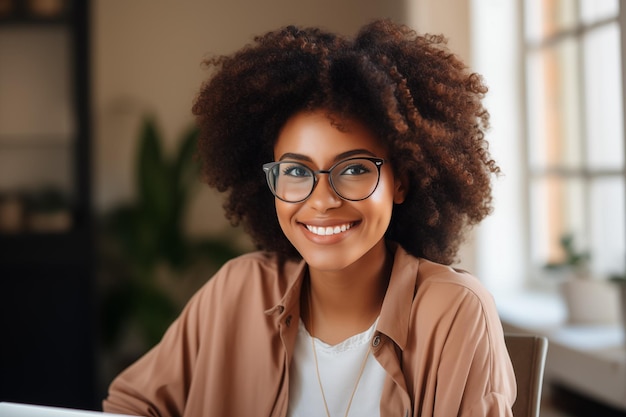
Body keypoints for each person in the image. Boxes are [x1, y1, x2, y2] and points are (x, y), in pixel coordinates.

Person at [103, 19, 516, 417]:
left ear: (401, 182)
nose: (321, 201)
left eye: (354, 169)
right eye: (297, 172)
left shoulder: (453, 311)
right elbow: (132, 406)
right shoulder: (238, 291)